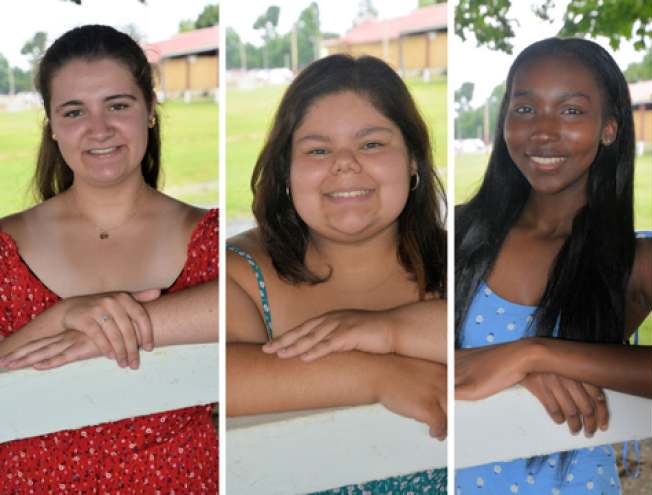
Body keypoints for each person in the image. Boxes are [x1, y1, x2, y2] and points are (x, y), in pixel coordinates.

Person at [0, 25, 219, 492]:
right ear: (52, 128)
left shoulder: (210, 241)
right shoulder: (4, 249)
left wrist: (122, 325)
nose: (100, 130)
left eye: (118, 105)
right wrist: (61, 318)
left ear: (150, 112)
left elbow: (266, 302)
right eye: (75, 111)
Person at [226, 53, 447, 493]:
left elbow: (500, 335)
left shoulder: (461, 261)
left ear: (414, 161)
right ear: (287, 170)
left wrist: (386, 331)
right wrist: (380, 375)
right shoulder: (240, 273)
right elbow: (219, 373)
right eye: (318, 150)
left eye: (371, 144)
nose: (344, 164)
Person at [452, 37, 652, 494]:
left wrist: (533, 353)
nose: (543, 132)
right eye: (524, 109)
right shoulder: (460, 236)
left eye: (571, 111)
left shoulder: (632, 261)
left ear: (609, 128)